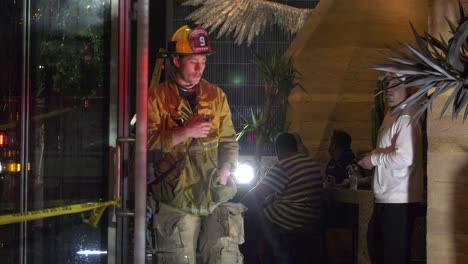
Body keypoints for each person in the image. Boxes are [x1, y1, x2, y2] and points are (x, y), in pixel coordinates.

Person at [147, 24, 245, 264]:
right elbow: (146, 143)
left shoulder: (216, 95)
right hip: (176, 196)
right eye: (193, 61)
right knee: (178, 258)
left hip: (214, 191)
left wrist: (226, 169)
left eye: (203, 61)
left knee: (225, 257)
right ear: (177, 61)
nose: (200, 68)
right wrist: (185, 131)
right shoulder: (156, 97)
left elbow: (228, 139)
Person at [358, 73, 424, 264]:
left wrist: (374, 159)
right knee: (376, 247)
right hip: (387, 197)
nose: (389, 89)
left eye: (396, 84)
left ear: (409, 87)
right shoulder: (391, 113)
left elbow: (405, 156)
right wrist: (372, 157)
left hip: (399, 200)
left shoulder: (407, 115)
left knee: (393, 256)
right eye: (387, 84)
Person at [241, 132, 323, 264]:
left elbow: (256, 194)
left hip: (289, 219)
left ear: (277, 149)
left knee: (248, 221)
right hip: (311, 218)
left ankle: (255, 260)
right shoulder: (310, 162)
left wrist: (238, 206)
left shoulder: (283, 166)